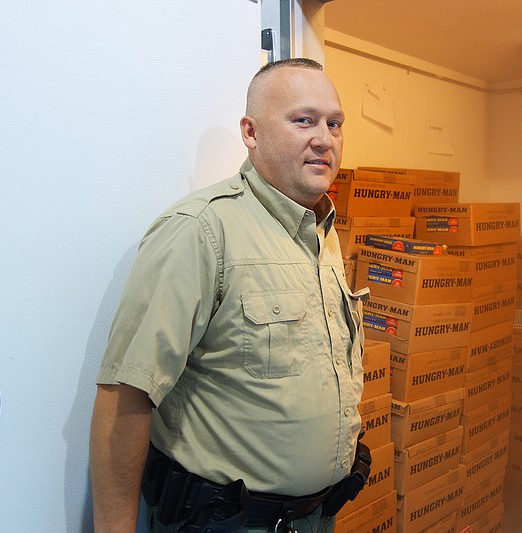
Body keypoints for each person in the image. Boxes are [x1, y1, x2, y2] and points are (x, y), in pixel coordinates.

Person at [89, 58, 369, 533]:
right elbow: (125, 397)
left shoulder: (322, 232)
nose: (324, 138)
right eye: (303, 120)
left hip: (317, 520)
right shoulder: (200, 231)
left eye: (334, 123)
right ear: (251, 132)